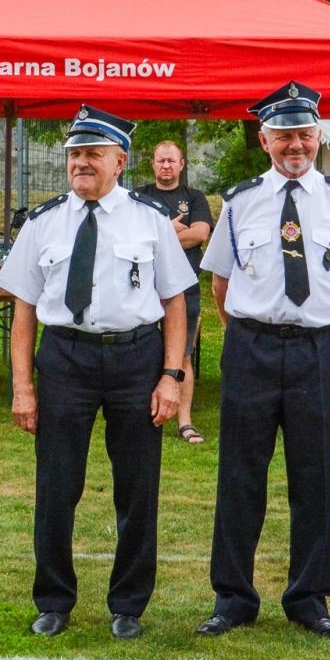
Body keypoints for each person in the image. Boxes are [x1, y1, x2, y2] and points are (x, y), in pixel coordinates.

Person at [196, 81, 330, 639]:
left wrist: (319, 335)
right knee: (239, 475)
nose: (294, 144)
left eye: (304, 133)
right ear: (264, 139)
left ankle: (309, 597)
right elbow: (221, 287)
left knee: (314, 476)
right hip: (251, 347)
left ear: (319, 136)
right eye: (283, 135)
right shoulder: (240, 200)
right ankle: (233, 597)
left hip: (316, 350)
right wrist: (257, 332)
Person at [0, 106, 192, 639]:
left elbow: (175, 300)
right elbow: (23, 310)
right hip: (65, 359)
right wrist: (22, 386)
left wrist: (171, 376)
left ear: (120, 162)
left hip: (136, 359)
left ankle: (128, 604)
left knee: (137, 487)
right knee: (57, 486)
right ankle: (54, 600)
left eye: (92, 155)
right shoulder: (42, 223)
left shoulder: (151, 219)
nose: (80, 163)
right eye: (74, 155)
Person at [133, 140, 213, 444]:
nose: (166, 166)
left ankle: (185, 421)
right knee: (141, 352)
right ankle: (147, 415)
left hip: (184, 288)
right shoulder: (139, 196)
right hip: (142, 288)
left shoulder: (194, 198)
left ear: (181, 165)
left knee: (183, 356)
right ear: (153, 164)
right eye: (160, 160)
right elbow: (133, 235)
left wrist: (159, 233)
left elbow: (201, 233)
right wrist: (172, 230)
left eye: (171, 161)